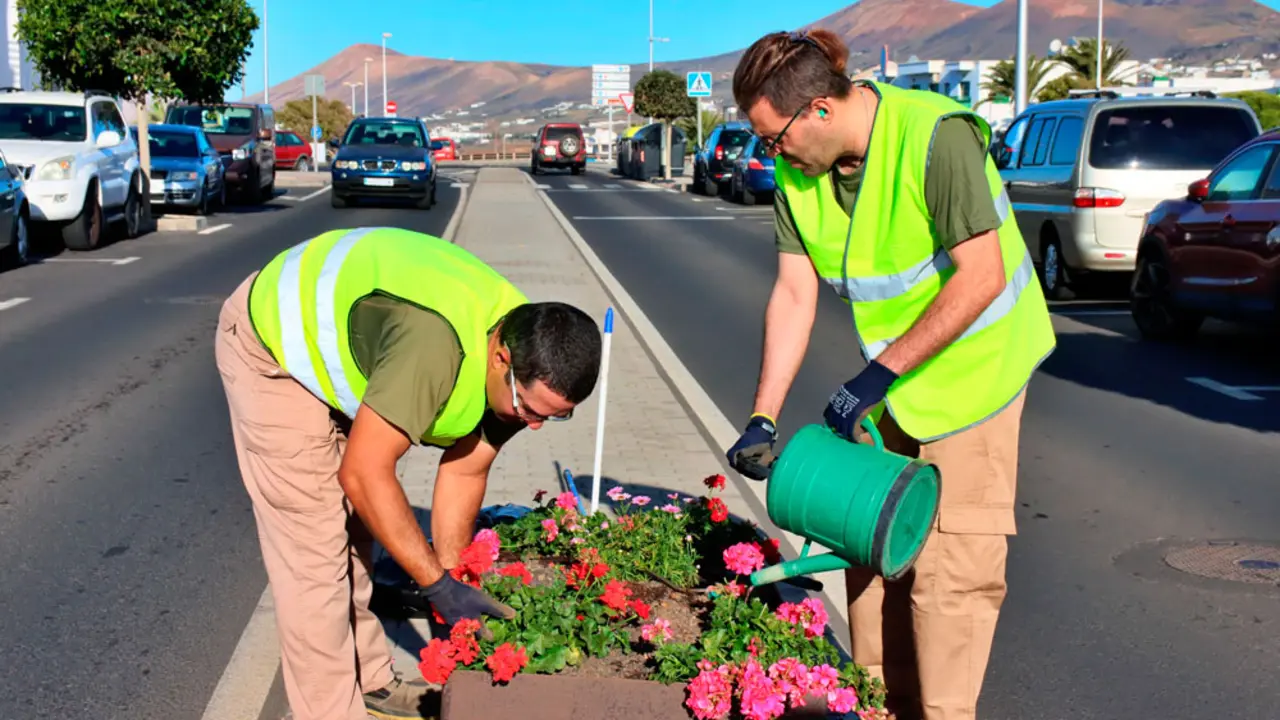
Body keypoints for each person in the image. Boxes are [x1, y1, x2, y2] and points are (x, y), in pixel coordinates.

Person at [723, 29, 1057, 720]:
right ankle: (879, 706)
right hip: (896, 380)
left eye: (773, 136)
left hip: (977, 376)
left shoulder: (936, 137)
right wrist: (762, 415)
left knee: (949, 576)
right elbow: (793, 294)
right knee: (868, 549)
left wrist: (875, 378)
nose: (769, 151)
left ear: (818, 109)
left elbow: (983, 277)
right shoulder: (800, 171)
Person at [214, 227, 602, 720]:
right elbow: (363, 473)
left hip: (356, 348)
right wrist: (435, 585)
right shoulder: (435, 350)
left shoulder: (532, 354)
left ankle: (371, 680)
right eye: (530, 408)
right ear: (501, 358)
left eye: (555, 415)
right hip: (273, 349)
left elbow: (465, 471)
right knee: (314, 560)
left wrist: (457, 581)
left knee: (359, 536)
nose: (535, 425)